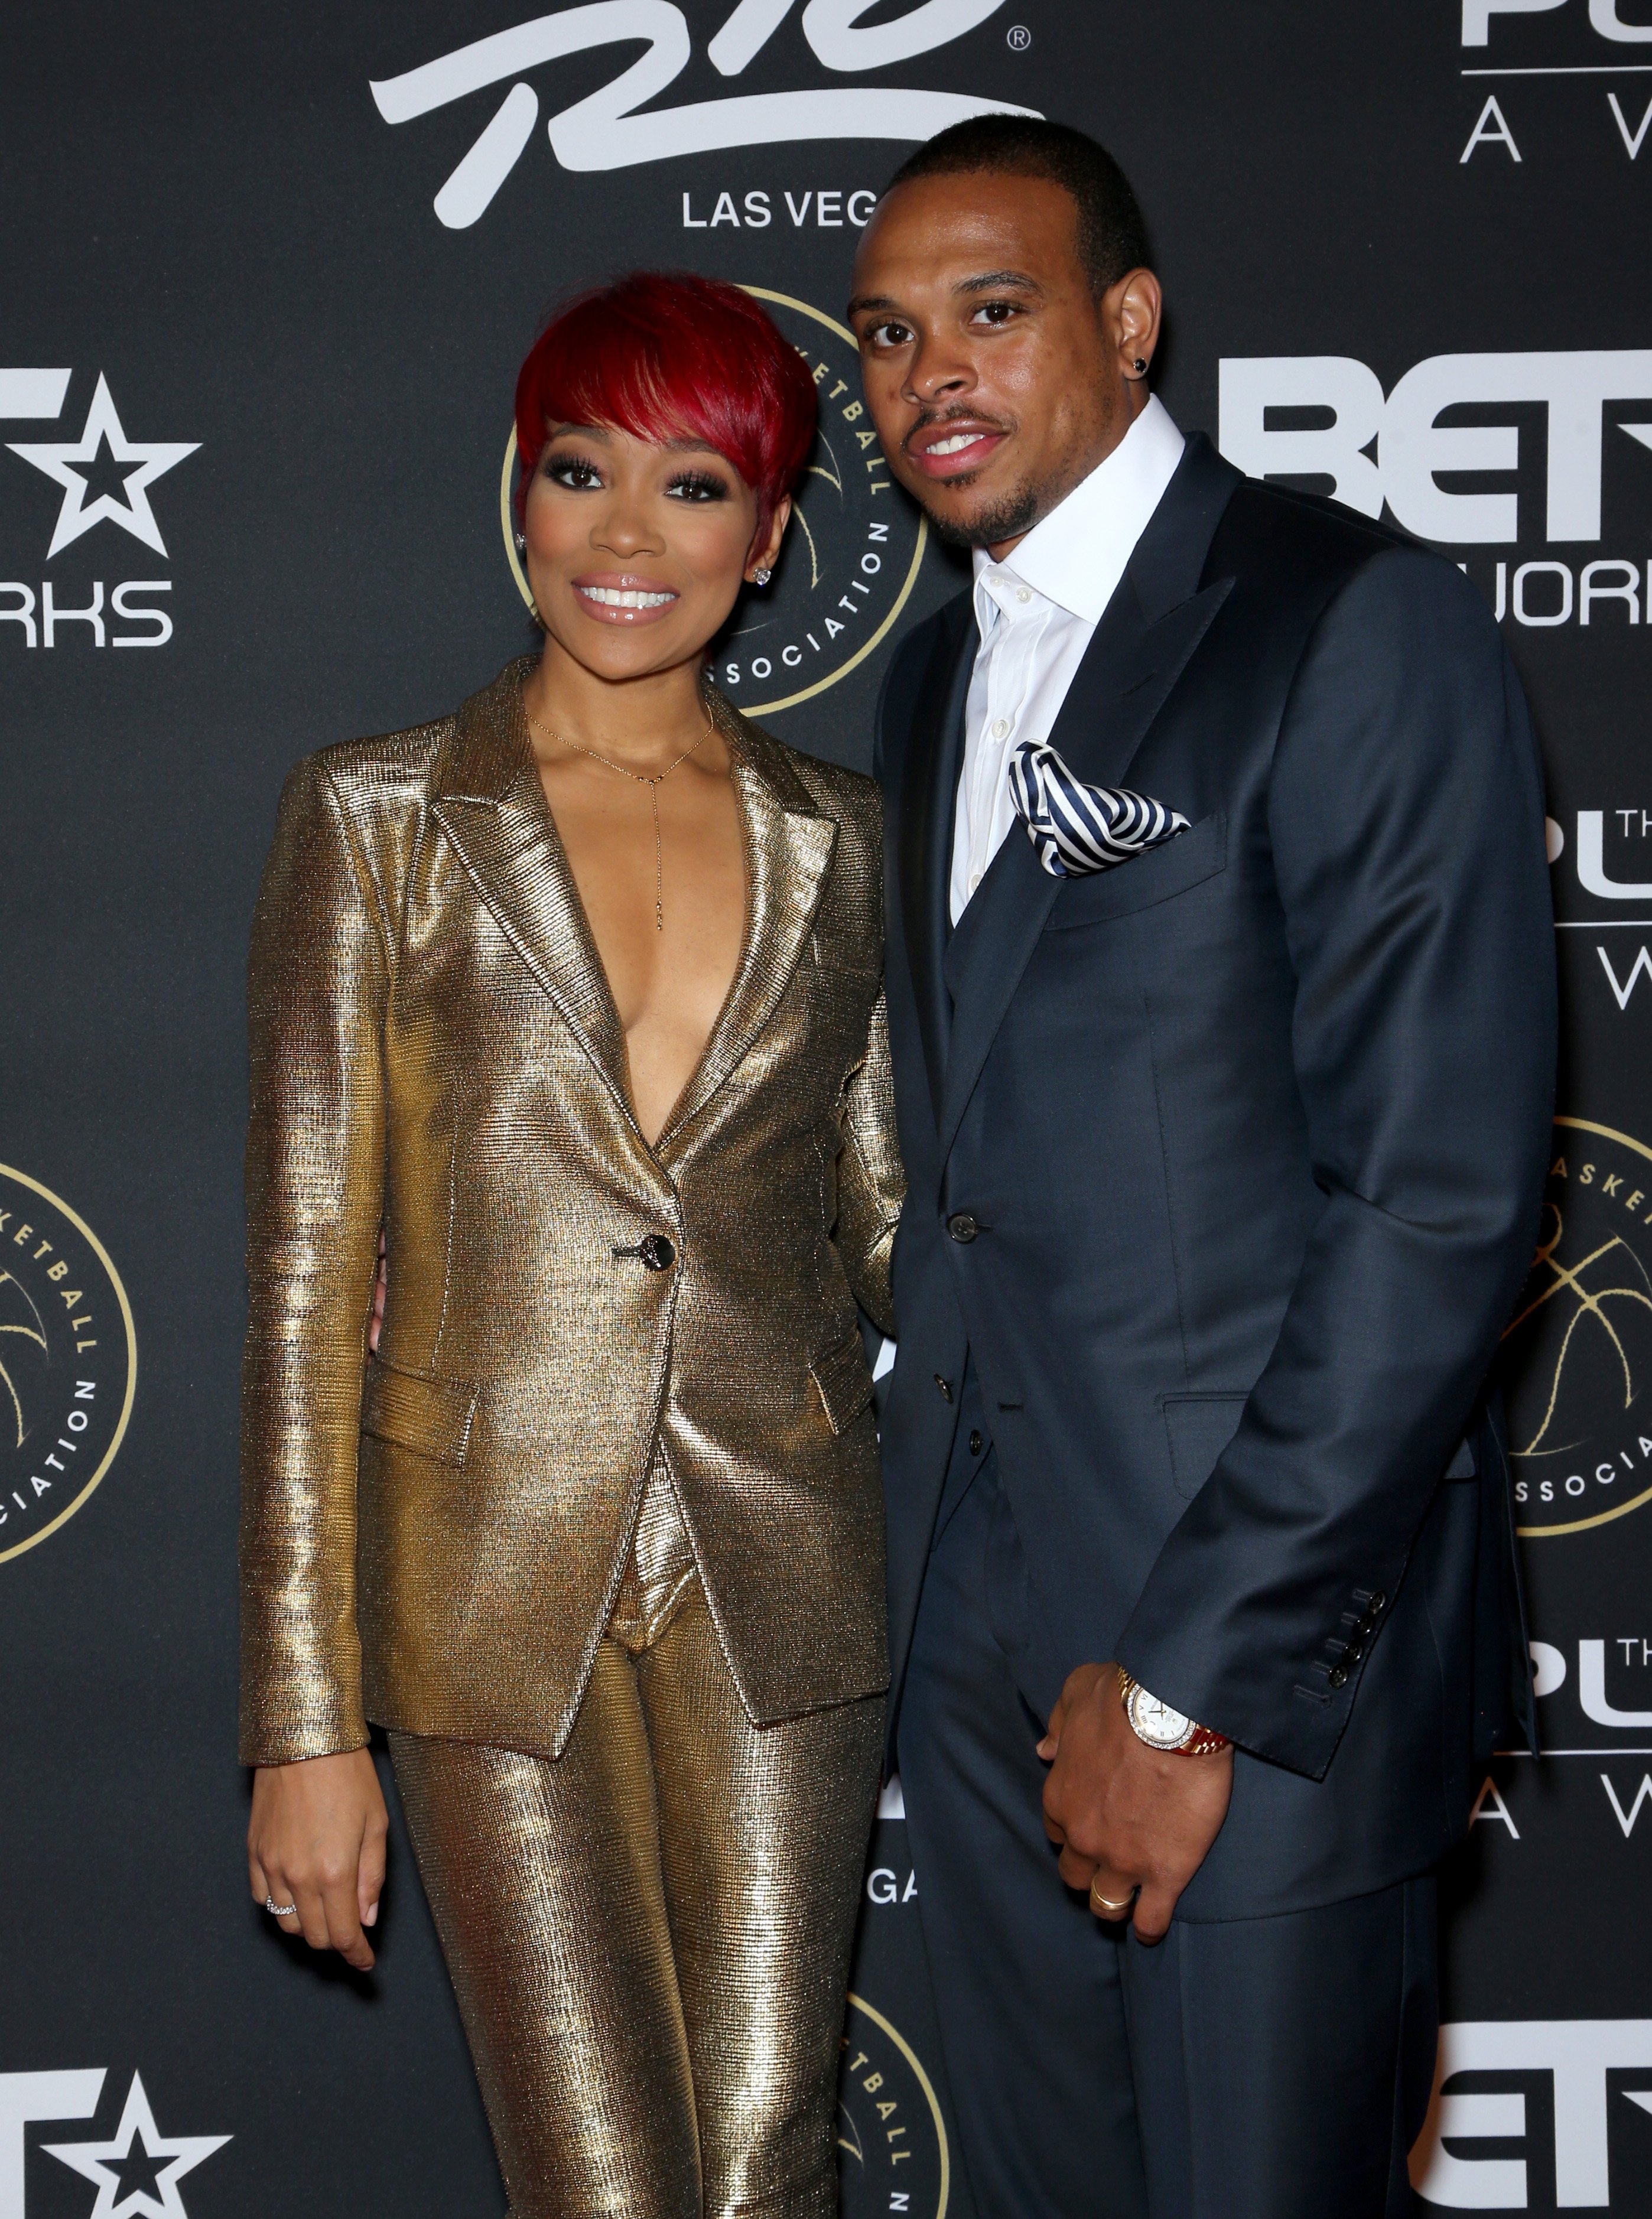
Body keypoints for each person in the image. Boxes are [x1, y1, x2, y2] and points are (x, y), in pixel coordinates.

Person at [850, 118, 1555, 2218]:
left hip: (1247, 1668)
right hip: (977, 1642)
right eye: (887, 337)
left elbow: (1431, 1207)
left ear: (1130, 324)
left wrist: (1180, 1691)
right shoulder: (926, 685)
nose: (931, 375)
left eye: (994, 311)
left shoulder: (1351, 624)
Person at [238, 271, 903, 2219]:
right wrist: (301, 1724)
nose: (627, 535)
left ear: (770, 534)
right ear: (511, 490)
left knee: (772, 2161)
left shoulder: (844, 839)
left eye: (695, 484)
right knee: (601, 2185)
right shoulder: (372, 817)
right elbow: (301, 1278)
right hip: (481, 1602)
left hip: (787, 1581)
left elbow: (896, 1233)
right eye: (578, 469)